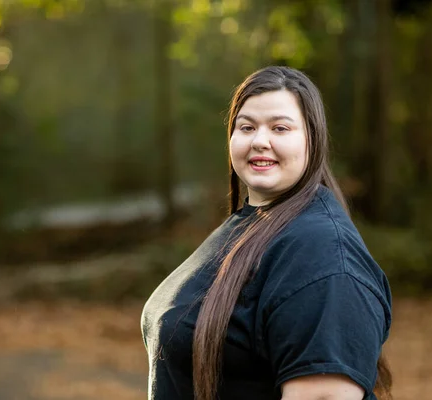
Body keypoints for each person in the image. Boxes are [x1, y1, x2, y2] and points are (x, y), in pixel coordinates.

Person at [141, 66, 393, 400]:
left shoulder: (321, 252)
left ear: (312, 139)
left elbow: (324, 395)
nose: (260, 141)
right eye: (246, 127)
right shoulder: (252, 224)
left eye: (280, 128)